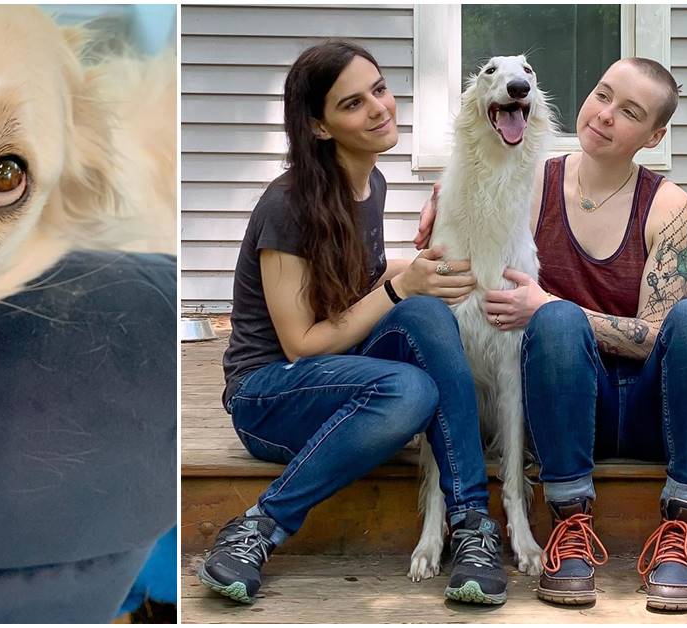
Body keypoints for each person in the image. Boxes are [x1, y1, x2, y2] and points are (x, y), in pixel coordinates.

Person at [416, 57, 687, 611]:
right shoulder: (530, 180)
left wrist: (548, 304)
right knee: (556, 323)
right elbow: (471, 189)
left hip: (643, 412)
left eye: (629, 111)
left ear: (655, 135)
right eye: (603, 94)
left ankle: (683, 528)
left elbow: (663, 335)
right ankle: (570, 525)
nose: (606, 115)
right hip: (560, 411)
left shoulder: (668, 206)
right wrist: (440, 202)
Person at [199, 40, 508, 607]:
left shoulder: (371, 184)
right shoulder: (288, 206)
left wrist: (425, 268)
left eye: (380, 90)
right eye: (352, 104)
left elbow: (361, 288)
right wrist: (399, 285)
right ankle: (258, 528)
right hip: (268, 396)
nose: (378, 108)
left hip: (340, 382)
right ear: (319, 127)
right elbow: (302, 343)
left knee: (424, 313)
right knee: (408, 384)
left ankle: (471, 526)